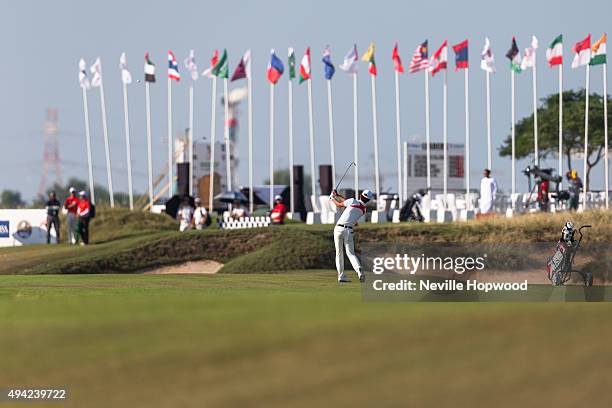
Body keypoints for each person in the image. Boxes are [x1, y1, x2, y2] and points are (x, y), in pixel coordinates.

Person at [329, 189, 373, 283]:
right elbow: (346, 202)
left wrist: (332, 198)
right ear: (368, 200)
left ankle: (341, 276)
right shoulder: (363, 210)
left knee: (339, 253)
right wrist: (338, 195)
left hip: (338, 229)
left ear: (361, 195)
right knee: (351, 253)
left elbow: (339, 204)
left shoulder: (353, 201)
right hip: (349, 231)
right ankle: (359, 270)